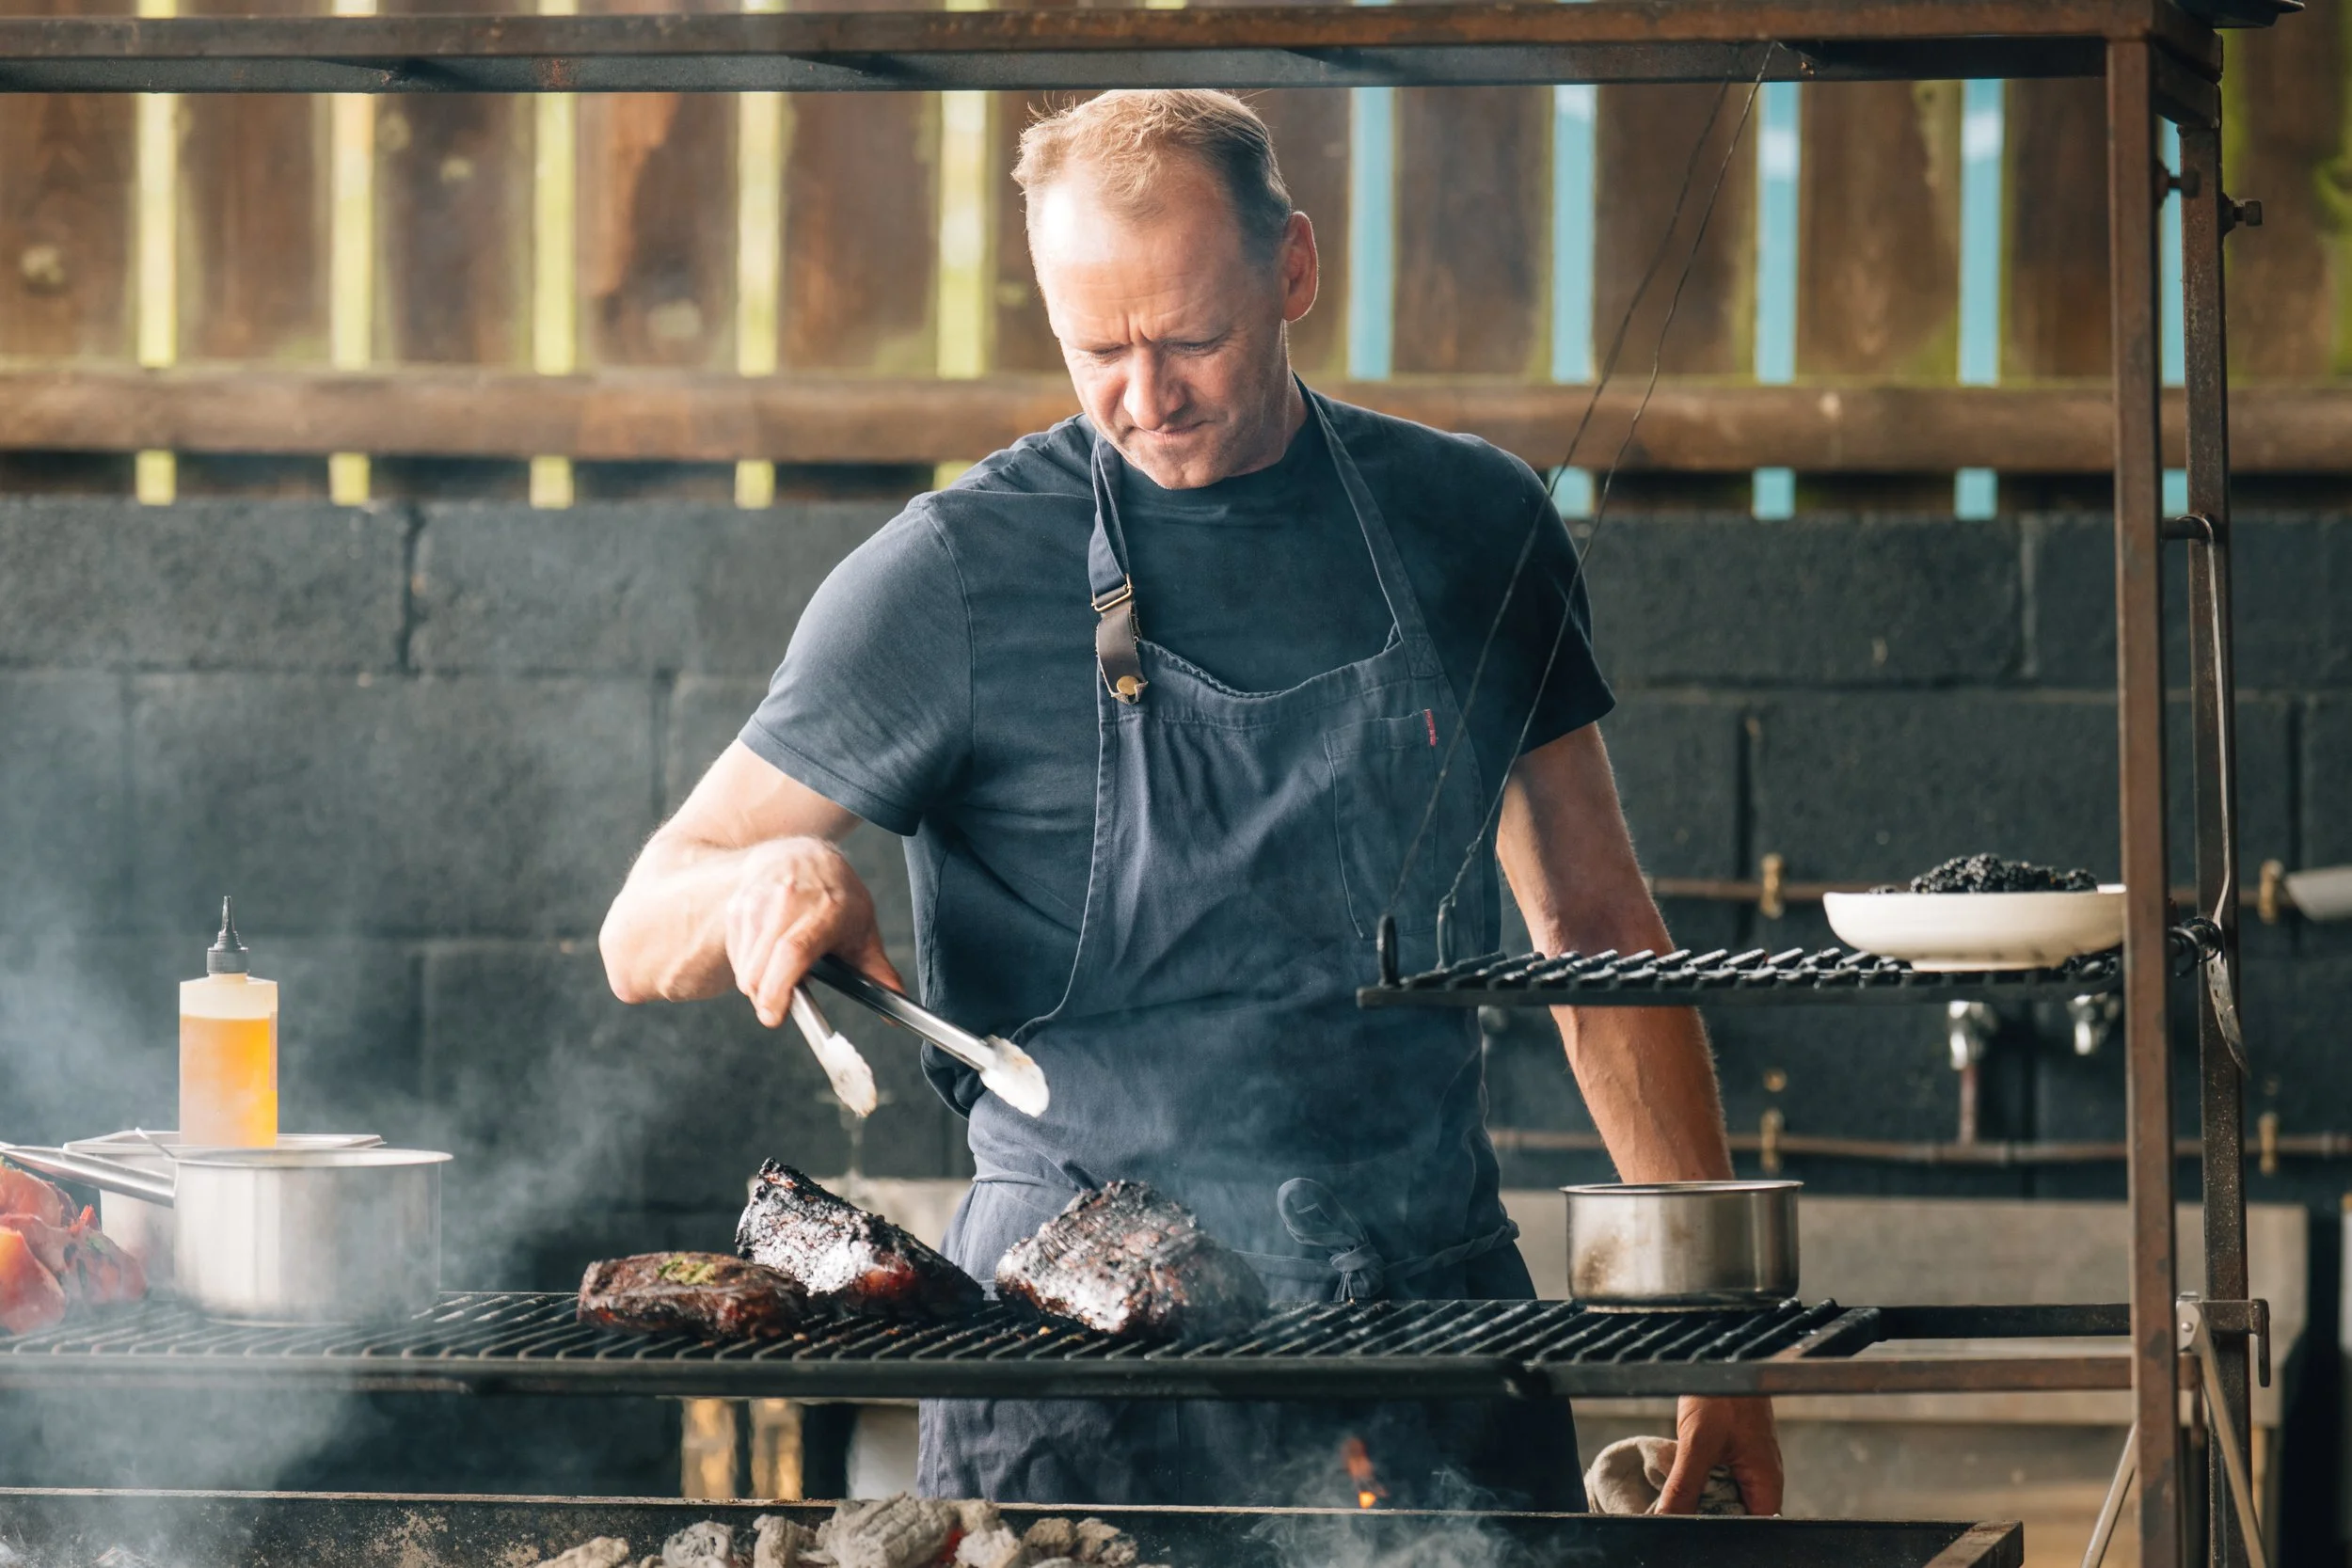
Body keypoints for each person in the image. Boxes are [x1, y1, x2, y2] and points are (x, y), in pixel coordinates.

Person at [600, 87, 1780, 1516]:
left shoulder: (1475, 522)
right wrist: (761, 881)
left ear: (1293, 270)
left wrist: (1715, 1341)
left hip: (1430, 1335)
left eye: (1191, 339)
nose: (1145, 397)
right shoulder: (953, 573)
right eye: (1097, 349)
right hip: (1079, 1378)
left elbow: (1595, 925)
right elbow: (640, 921)